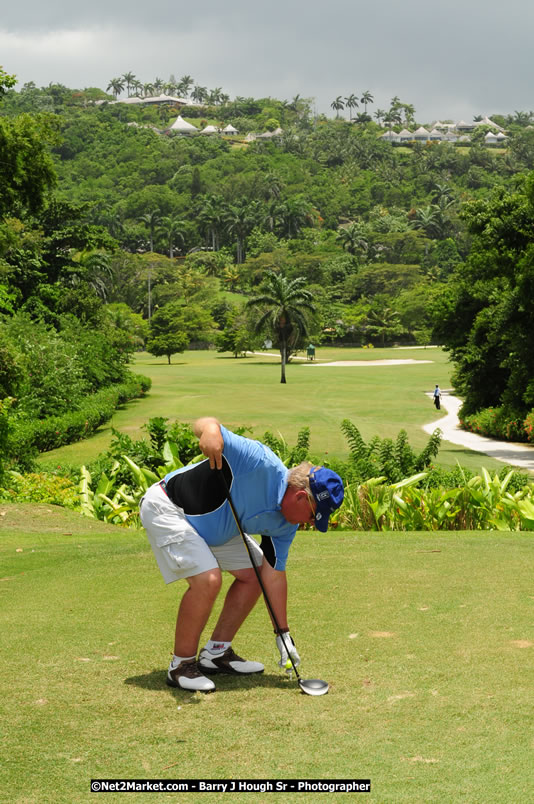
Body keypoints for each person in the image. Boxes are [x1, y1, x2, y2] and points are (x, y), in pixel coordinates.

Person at [139, 417, 344, 693]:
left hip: (216, 530)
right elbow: (205, 423)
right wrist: (210, 433)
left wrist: (282, 634)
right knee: (208, 580)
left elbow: (273, 574)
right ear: (299, 497)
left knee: (254, 574)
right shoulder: (258, 461)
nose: (308, 523)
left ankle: (216, 654)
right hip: (169, 507)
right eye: (311, 516)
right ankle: (181, 665)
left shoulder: (286, 524)